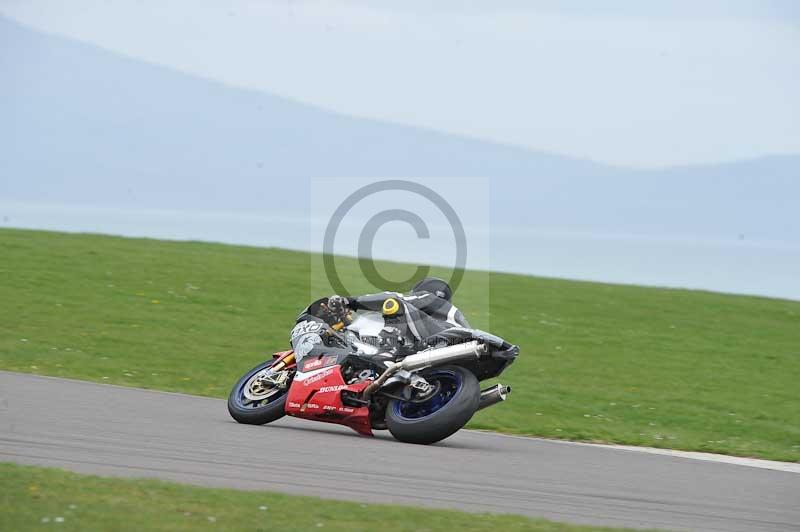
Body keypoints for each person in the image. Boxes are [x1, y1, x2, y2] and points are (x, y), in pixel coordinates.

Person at [289, 277, 471, 364]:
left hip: (446, 339)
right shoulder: (434, 317)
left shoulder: (428, 299)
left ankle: (386, 351)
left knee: (393, 304)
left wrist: (350, 301)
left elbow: (392, 297)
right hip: (446, 349)